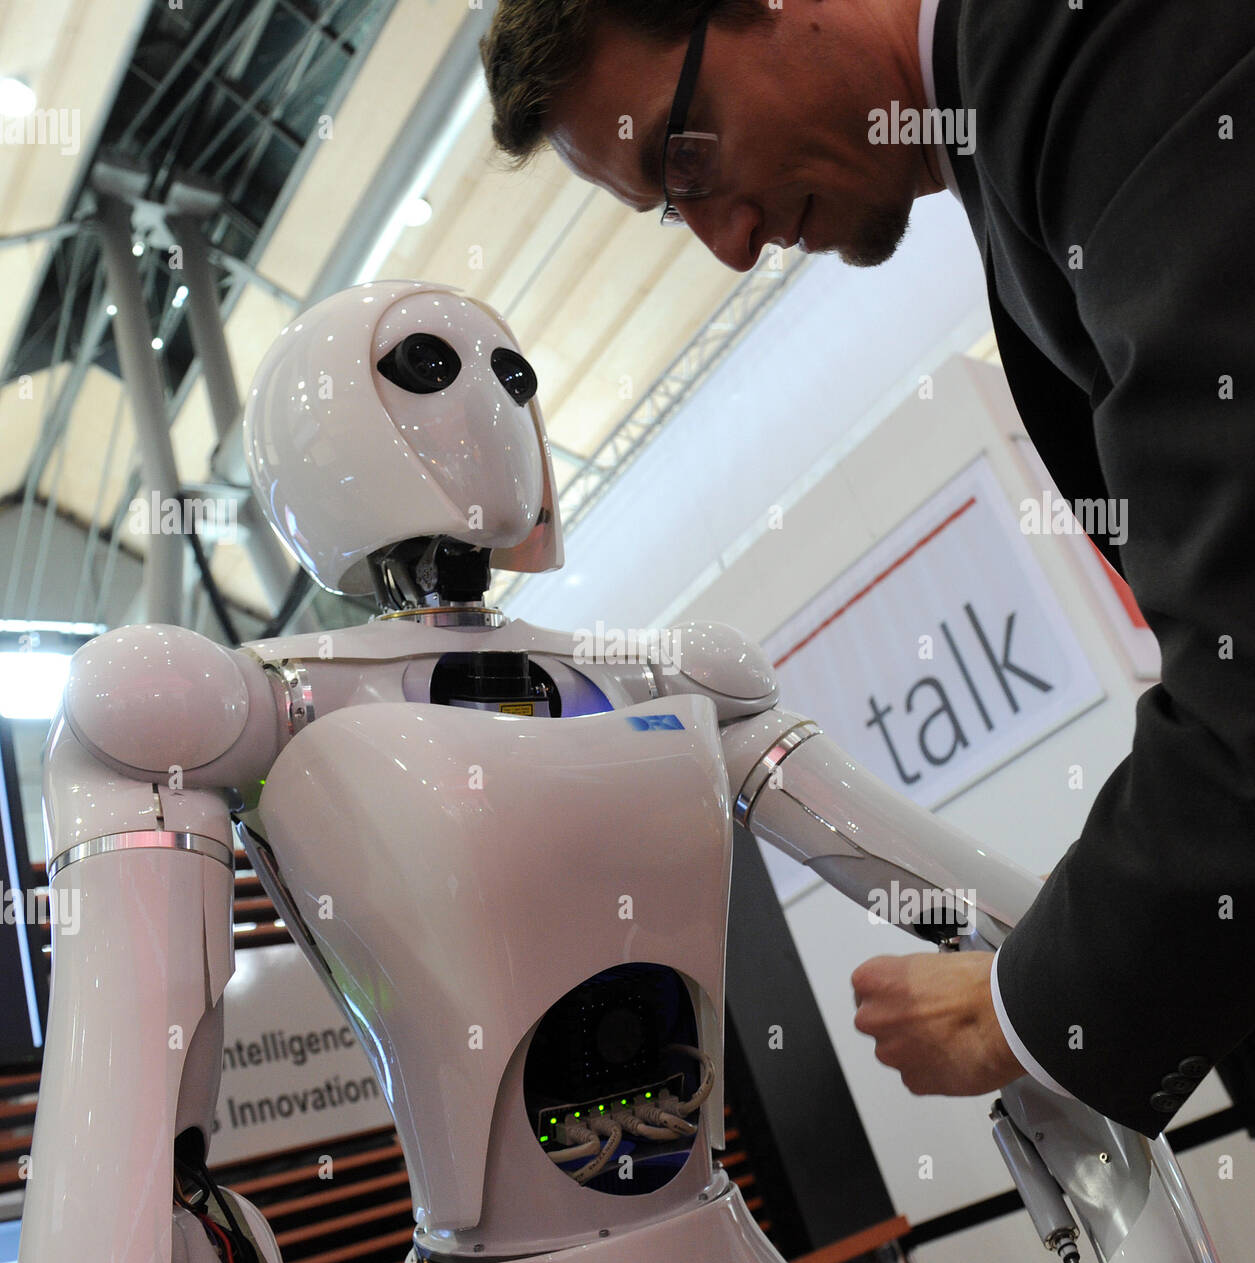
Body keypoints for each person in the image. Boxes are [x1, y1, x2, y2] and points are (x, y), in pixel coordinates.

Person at [478, 0, 1255, 1139]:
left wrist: (1026, 1005)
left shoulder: (1083, 52)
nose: (727, 245)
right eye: (667, 212)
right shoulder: (1021, 123)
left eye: (684, 156)